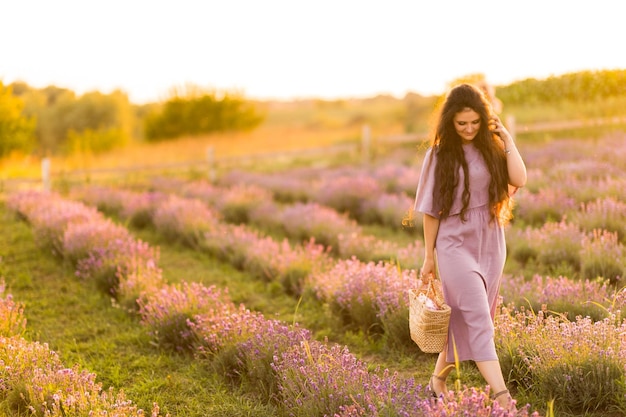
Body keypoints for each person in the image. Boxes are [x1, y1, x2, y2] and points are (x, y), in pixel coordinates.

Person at [413, 83, 527, 411]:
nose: (468, 129)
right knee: (479, 317)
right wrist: (428, 257)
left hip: (490, 242)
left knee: (466, 320)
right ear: (450, 121)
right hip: (453, 244)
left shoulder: (492, 147)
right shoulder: (437, 155)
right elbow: (431, 211)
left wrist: (507, 139)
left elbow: (519, 179)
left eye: (475, 122)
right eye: (461, 123)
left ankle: (437, 381)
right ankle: (502, 397)